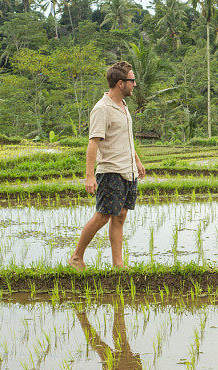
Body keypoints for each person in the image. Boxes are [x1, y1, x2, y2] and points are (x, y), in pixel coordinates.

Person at [69, 61, 146, 270]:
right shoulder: (102, 109)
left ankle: (118, 264)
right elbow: (93, 142)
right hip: (111, 171)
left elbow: (126, 138)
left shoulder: (123, 107)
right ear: (121, 83)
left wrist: (137, 162)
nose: (134, 84)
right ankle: (77, 257)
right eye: (131, 81)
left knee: (120, 216)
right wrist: (90, 175)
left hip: (127, 170)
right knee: (103, 215)